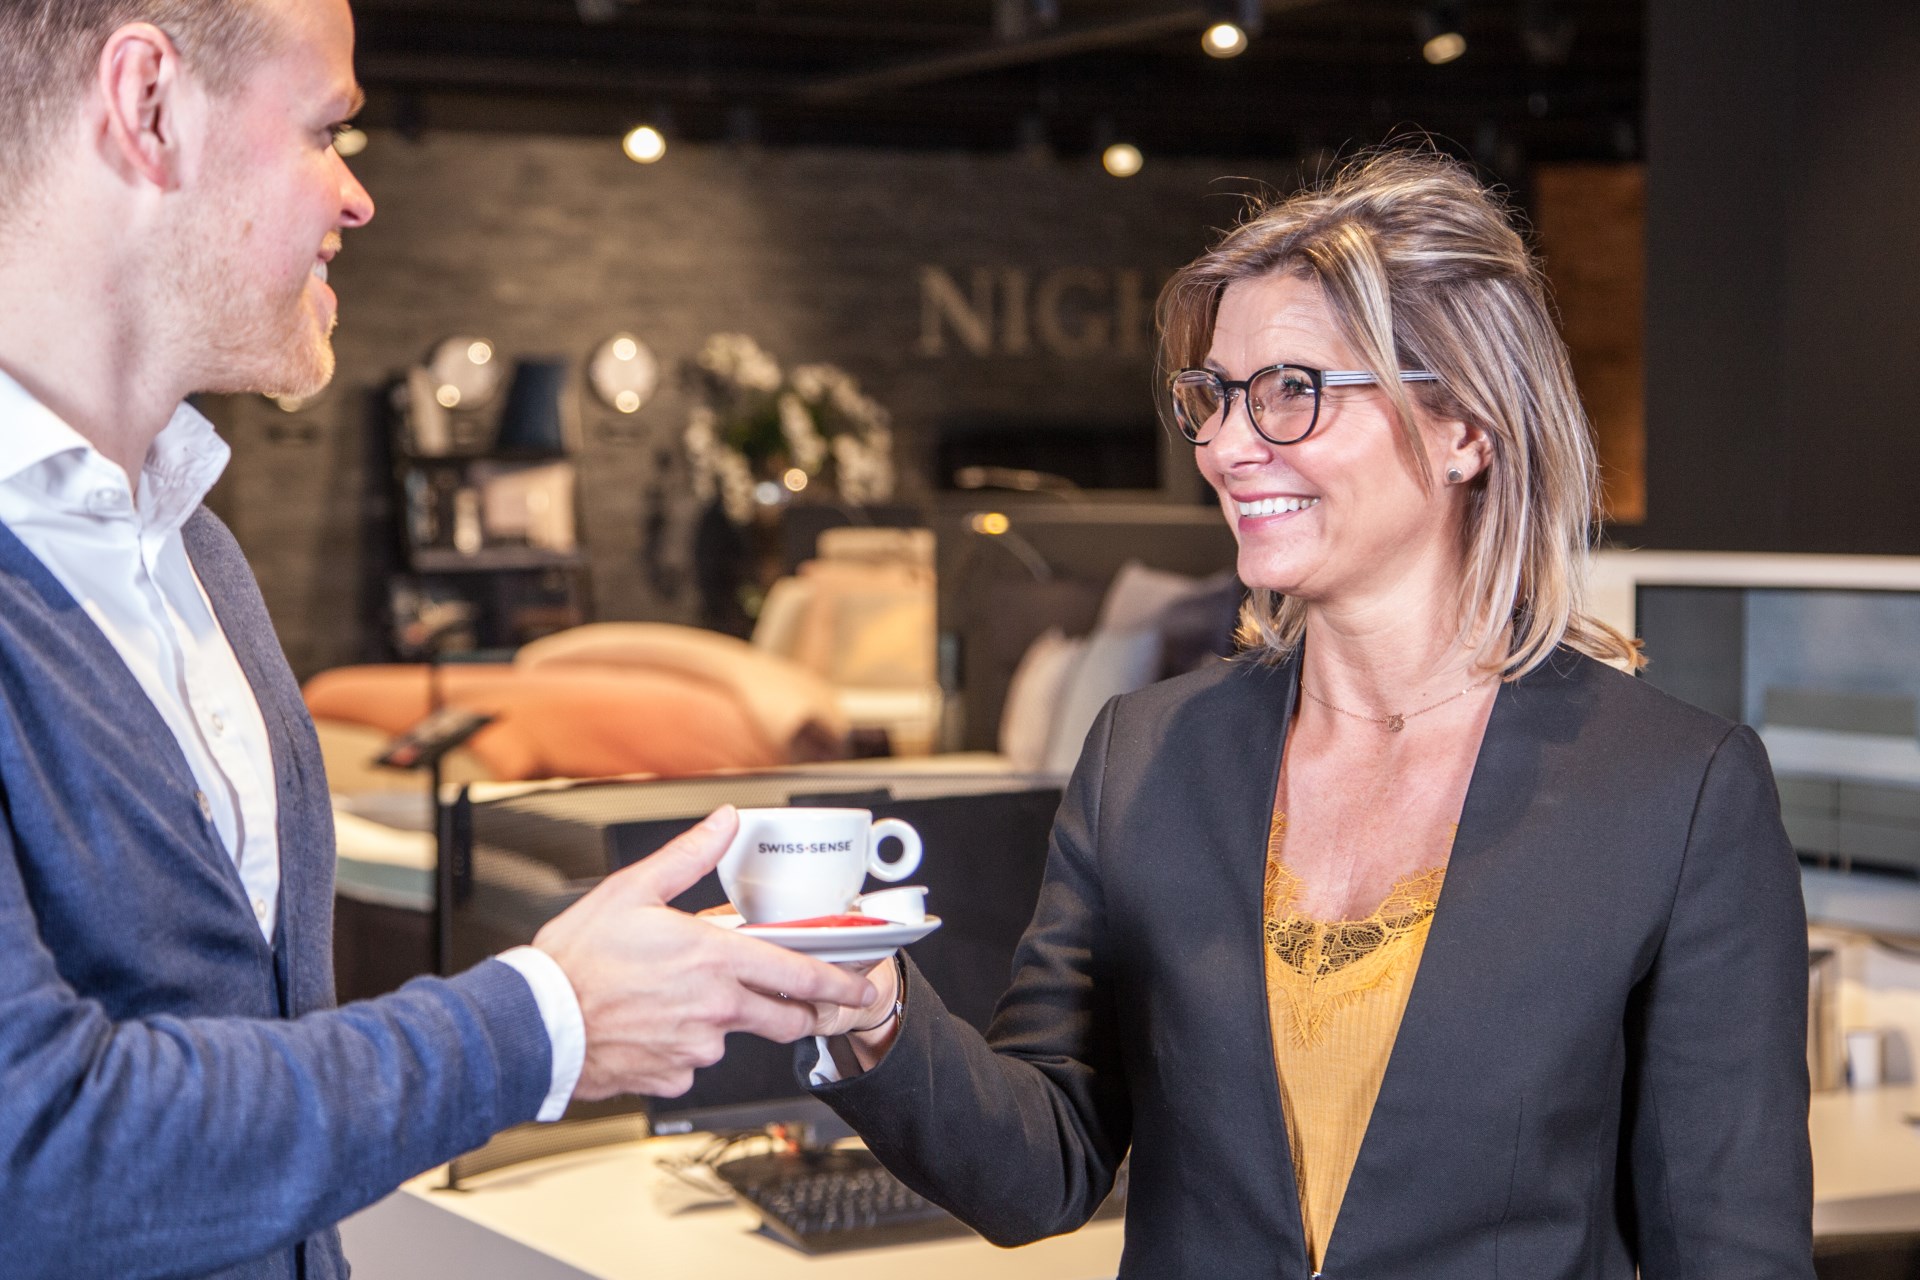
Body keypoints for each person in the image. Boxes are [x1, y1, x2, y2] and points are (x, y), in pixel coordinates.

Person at [801, 150, 1816, 1278]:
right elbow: (1043, 1165)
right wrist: (871, 1010)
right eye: (1217, 395)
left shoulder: (1677, 790)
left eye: (1293, 390)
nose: (1228, 446)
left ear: (1466, 427)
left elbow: (1732, 1252)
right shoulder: (1147, 752)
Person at [0, 3, 875, 1278]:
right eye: (327, 131)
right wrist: (545, 1020)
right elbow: (35, 1152)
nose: (356, 198)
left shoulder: (196, 551)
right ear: (148, 106)